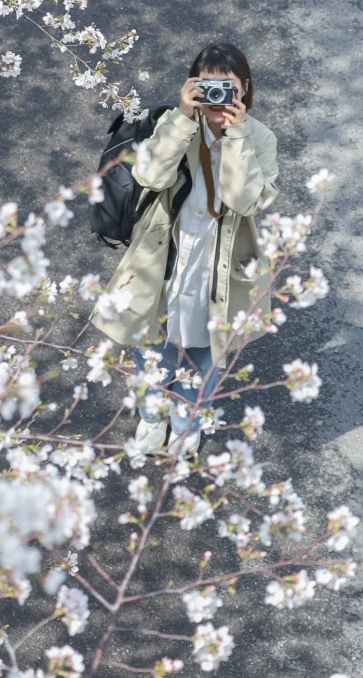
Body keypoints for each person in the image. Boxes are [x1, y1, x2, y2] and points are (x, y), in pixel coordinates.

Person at [92, 42, 279, 455]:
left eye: (227, 88)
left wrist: (236, 136)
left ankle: (185, 422)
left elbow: (244, 200)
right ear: (192, 85)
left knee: (204, 357)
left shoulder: (259, 138)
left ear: (244, 89)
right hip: (164, 261)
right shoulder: (174, 123)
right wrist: (180, 118)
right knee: (151, 352)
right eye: (207, 86)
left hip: (220, 265)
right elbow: (150, 175)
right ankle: (153, 415)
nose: (218, 99)